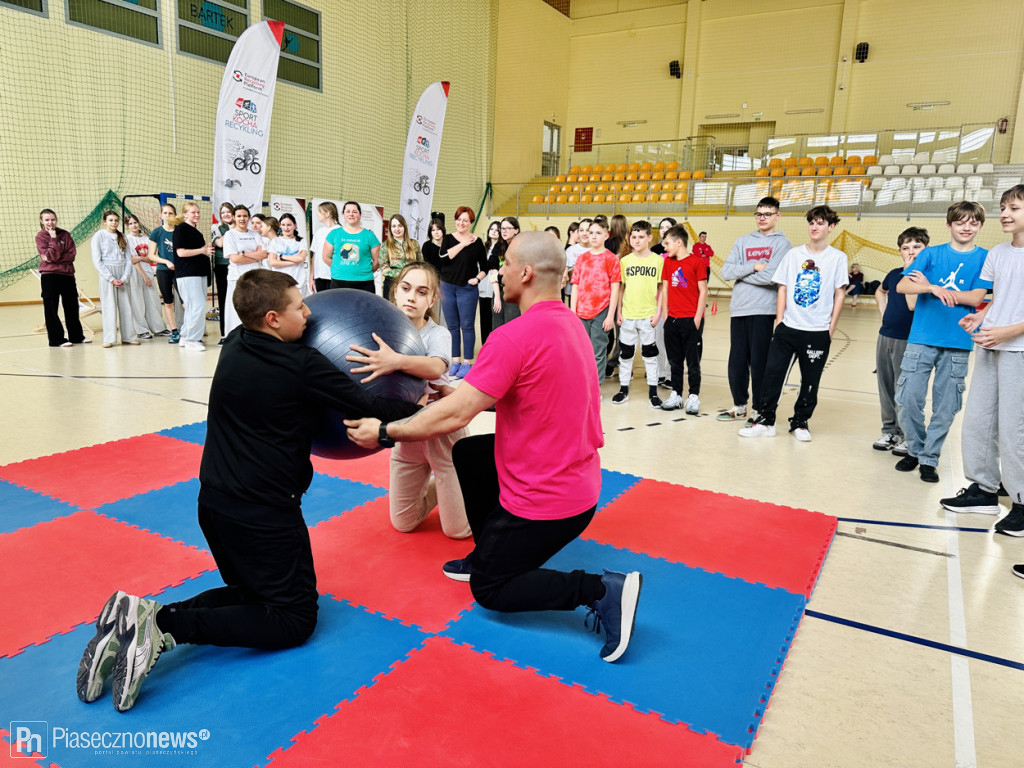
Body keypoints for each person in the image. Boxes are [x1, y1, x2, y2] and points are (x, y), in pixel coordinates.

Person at [76, 269, 422, 713]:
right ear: (273, 318)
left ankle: (138, 617)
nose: (309, 313)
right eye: (299, 306)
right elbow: (371, 405)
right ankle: (164, 629)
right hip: (265, 515)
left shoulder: (236, 342)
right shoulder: (301, 365)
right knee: (294, 620)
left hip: (213, 504)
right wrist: (418, 403)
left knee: (254, 595)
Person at [344, 231, 642, 664]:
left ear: (526, 273)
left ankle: (601, 590)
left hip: (550, 499)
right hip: (578, 480)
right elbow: (526, 389)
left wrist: (385, 431)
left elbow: (453, 417)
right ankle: (487, 552)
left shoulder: (513, 335)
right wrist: (464, 391)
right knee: (469, 454)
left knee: (491, 589)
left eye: (506, 264)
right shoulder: (570, 324)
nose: (500, 272)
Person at [346, 262, 470, 539]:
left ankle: (470, 477)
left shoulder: (436, 333)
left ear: (432, 300)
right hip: (406, 428)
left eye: (422, 292)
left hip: (440, 428)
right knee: (404, 522)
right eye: (406, 288)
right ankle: (447, 487)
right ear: (395, 291)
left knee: (457, 531)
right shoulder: (382, 332)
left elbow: (436, 367)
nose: (412, 297)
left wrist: (396, 361)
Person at [939, 185, 1024, 543]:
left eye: (1014, 208)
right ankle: (984, 490)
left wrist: (1008, 331)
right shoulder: (999, 253)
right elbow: (999, 298)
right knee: (977, 421)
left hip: (1018, 348)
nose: (1005, 214)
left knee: (1014, 429)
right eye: (1003, 207)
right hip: (990, 345)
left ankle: (1021, 501)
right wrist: (981, 317)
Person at [894, 201, 991, 483]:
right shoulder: (930, 254)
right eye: (960, 222)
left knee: (946, 406)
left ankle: (929, 458)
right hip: (921, 338)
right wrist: (930, 287)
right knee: (907, 399)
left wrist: (940, 291)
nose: (967, 227)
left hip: (958, 341)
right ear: (949, 225)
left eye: (973, 223)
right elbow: (902, 285)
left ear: (980, 226)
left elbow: (976, 297)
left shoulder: (984, 258)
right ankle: (915, 449)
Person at [739, 206, 848, 442]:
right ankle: (765, 421)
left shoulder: (838, 258)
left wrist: (830, 328)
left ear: (830, 227)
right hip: (788, 328)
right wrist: (780, 321)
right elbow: (783, 288)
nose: (814, 227)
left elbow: (839, 293)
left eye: (820, 223)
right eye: (812, 223)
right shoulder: (793, 255)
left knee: (810, 381)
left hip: (817, 330)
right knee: (772, 375)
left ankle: (800, 422)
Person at [717, 196, 791, 422]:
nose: (762, 218)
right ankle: (739, 406)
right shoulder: (742, 241)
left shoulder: (782, 244)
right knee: (737, 362)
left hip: (763, 310)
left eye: (767, 214)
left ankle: (759, 409)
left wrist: (742, 273)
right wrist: (755, 266)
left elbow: (771, 277)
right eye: (759, 214)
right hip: (739, 308)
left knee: (760, 363)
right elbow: (726, 272)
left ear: (777, 216)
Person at [873, 228, 928, 454]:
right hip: (886, 335)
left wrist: (910, 272)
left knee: (904, 389)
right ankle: (890, 431)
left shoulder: (924, 276)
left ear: (926, 249)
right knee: (885, 385)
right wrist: (884, 312)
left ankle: (907, 434)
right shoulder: (894, 273)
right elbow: (880, 291)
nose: (911, 252)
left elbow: (912, 305)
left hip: (909, 339)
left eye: (917, 247)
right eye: (906, 248)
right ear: (899, 251)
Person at [612, 221, 663, 408]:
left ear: (649, 237)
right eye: (633, 237)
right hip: (628, 315)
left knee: (650, 355)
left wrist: (658, 312)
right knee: (625, 355)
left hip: (648, 315)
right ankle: (623, 389)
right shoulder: (625, 261)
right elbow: (621, 288)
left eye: (641, 237)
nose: (637, 240)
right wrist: (619, 311)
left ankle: (653, 392)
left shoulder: (658, 261)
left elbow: (662, 289)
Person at [660, 225, 707, 414]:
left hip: (691, 320)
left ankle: (693, 396)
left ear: (679, 242)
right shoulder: (668, 262)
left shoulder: (697, 262)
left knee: (693, 362)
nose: (665, 247)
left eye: (667, 243)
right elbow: (665, 289)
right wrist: (666, 316)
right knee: (675, 361)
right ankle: (676, 395)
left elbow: (703, 291)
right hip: (672, 319)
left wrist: (697, 318)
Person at [437, 207, 488, 379]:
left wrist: (477, 279)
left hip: (467, 289)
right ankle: (455, 361)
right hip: (447, 287)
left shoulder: (477, 242)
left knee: (467, 326)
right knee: (452, 326)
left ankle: (467, 363)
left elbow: (485, 267)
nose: (461, 223)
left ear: (471, 223)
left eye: (465, 220)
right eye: (459, 219)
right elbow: (444, 258)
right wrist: (463, 244)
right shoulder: (448, 239)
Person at [571, 217, 621, 380]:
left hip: (601, 311)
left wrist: (610, 316)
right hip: (581, 311)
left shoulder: (611, 259)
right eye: (591, 232)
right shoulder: (582, 258)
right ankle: (582, 382)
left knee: (598, 351)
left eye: (598, 233)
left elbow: (615, 288)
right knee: (581, 350)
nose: (593, 236)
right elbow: (575, 285)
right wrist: (573, 312)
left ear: (606, 235)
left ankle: (596, 385)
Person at [36, 209, 88, 348]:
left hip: (67, 275)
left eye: (53, 219)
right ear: (42, 221)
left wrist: (54, 258)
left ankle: (76, 336)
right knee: (51, 308)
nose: (50, 222)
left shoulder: (65, 234)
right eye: (47, 220)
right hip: (49, 276)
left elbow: (71, 256)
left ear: (56, 220)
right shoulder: (40, 236)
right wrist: (53, 239)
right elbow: (48, 257)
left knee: (72, 306)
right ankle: (56, 340)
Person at [91, 210, 138, 348]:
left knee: (126, 307)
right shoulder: (99, 236)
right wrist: (111, 278)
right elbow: (97, 260)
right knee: (109, 306)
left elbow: (128, 259)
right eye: (110, 220)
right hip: (107, 274)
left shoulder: (123, 237)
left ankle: (129, 337)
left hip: (122, 272)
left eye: (116, 220)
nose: (114, 223)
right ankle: (109, 338)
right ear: (105, 221)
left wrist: (124, 277)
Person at [171, 202, 214, 352]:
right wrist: (202, 250)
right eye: (193, 212)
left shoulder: (195, 231)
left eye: (198, 212)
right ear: (185, 214)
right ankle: (192, 339)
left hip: (199, 272)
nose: (196, 215)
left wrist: (205, 249)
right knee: (197, 306)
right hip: (188, 274)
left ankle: (185, 335)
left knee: (192, 307)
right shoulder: (181, 229)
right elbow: (181, 252)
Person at [222, 205, 268, 338]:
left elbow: (264, 254)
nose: (242, 219)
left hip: (254, 278)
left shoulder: (255, 234)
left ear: (249, 218)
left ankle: (253, 337)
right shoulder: (230, 235)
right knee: (236, 310)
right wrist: (255, 256)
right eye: (239, 216)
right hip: (237, 278)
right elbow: (235, 259)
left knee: (254, 308)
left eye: (245, 216)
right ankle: (235, 338)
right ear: (234, 218)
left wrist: (243, 253)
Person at [323, 201, 380, 293]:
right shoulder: (334, 234)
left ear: (360, 215)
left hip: (364, 282)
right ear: (343, 215)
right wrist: (339, 269)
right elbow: (326, 257)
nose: (351, 214)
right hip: (338, 281)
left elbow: (377, 261)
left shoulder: (370, 236)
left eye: (355, 212)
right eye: (348, 211)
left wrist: (363, 271)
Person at [125, 214, 166, 340]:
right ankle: (141, 330)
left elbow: (151, 257)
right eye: (130, 223)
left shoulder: (147, 238)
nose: (134, 225)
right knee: (137, 303)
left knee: (153, 301)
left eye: (135, 222)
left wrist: (141, 258)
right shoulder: (127, 239)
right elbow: (133, 260)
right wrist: (144, 277)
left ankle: (158, 328)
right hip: (135, 273)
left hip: (148, 272)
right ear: (127, 226)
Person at [148, 203, 181, 344]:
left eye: (170, 213)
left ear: (175, 215)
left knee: (185, 302)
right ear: (161, 215)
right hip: (163, 271)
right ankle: (174, 331)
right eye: (165, 213)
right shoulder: (156, 232)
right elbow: (151, 255)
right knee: (168, 302)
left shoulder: (180, 231)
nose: (168, 215)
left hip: (180, 270)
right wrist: (166, 261)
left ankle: (190, 329)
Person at [488, 216, 522, 332]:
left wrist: (498, 276)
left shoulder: (520, 247)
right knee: (497, 328)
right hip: (499, 290)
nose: (504, 231)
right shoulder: (499, 246)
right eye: (502, 228)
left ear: (516, 230)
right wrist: (497, 297)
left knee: (511, 328)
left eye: (508, 228)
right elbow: (493, 272)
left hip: (514, 293)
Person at [379, 213, 423, 300]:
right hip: (392, 284)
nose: (397, 229)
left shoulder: (414, 244)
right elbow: (383, 267)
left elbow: (421, 264)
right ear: (390, 229)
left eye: (400, 226)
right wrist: (402, 274)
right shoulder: (385, 245)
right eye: (394, 226)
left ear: (404, 227)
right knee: (390, 308)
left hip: (412, 284)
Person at [268, 213, 310, 297]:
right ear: (280, 226)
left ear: (295, 225)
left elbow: (301, 258)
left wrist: (281, 257)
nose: (286, 228)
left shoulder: (301, 241)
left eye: (289, 225)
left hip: (298, 283)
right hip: (280, 284)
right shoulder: (275, 242)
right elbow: (272, 262)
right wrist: (294, 261)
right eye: (283, 225)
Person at [211, 202, 234, 335]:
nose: (226, 215)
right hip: (222, 266)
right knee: (224, 299)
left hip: (238, 265)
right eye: (223, 213)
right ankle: (224, 333)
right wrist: (233, 230)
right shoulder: (217, 227)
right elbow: (219, 243)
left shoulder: (240, 227)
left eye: (228, 212)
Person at [310, 202, 340, 293]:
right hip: (319, 277)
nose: (317, 214)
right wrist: (311, 277)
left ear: (328, 214)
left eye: (320, 211)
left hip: (334, 276)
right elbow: (315, 255)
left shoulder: (340, 231)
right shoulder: (318, 232)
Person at [478, 221, 500, 342]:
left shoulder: (502, 249)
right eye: (492, 229)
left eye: (497, 230)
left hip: (494, 292)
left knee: (494, 323)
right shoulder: (483, 248)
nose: (494, 232)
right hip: (482, 291)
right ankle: (485, 347)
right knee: (484, 322)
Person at [562, 221, 581, 306]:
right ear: (571, 233)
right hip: (572, 288)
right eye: (578, 231)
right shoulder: (569, 250)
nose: (580, 234)